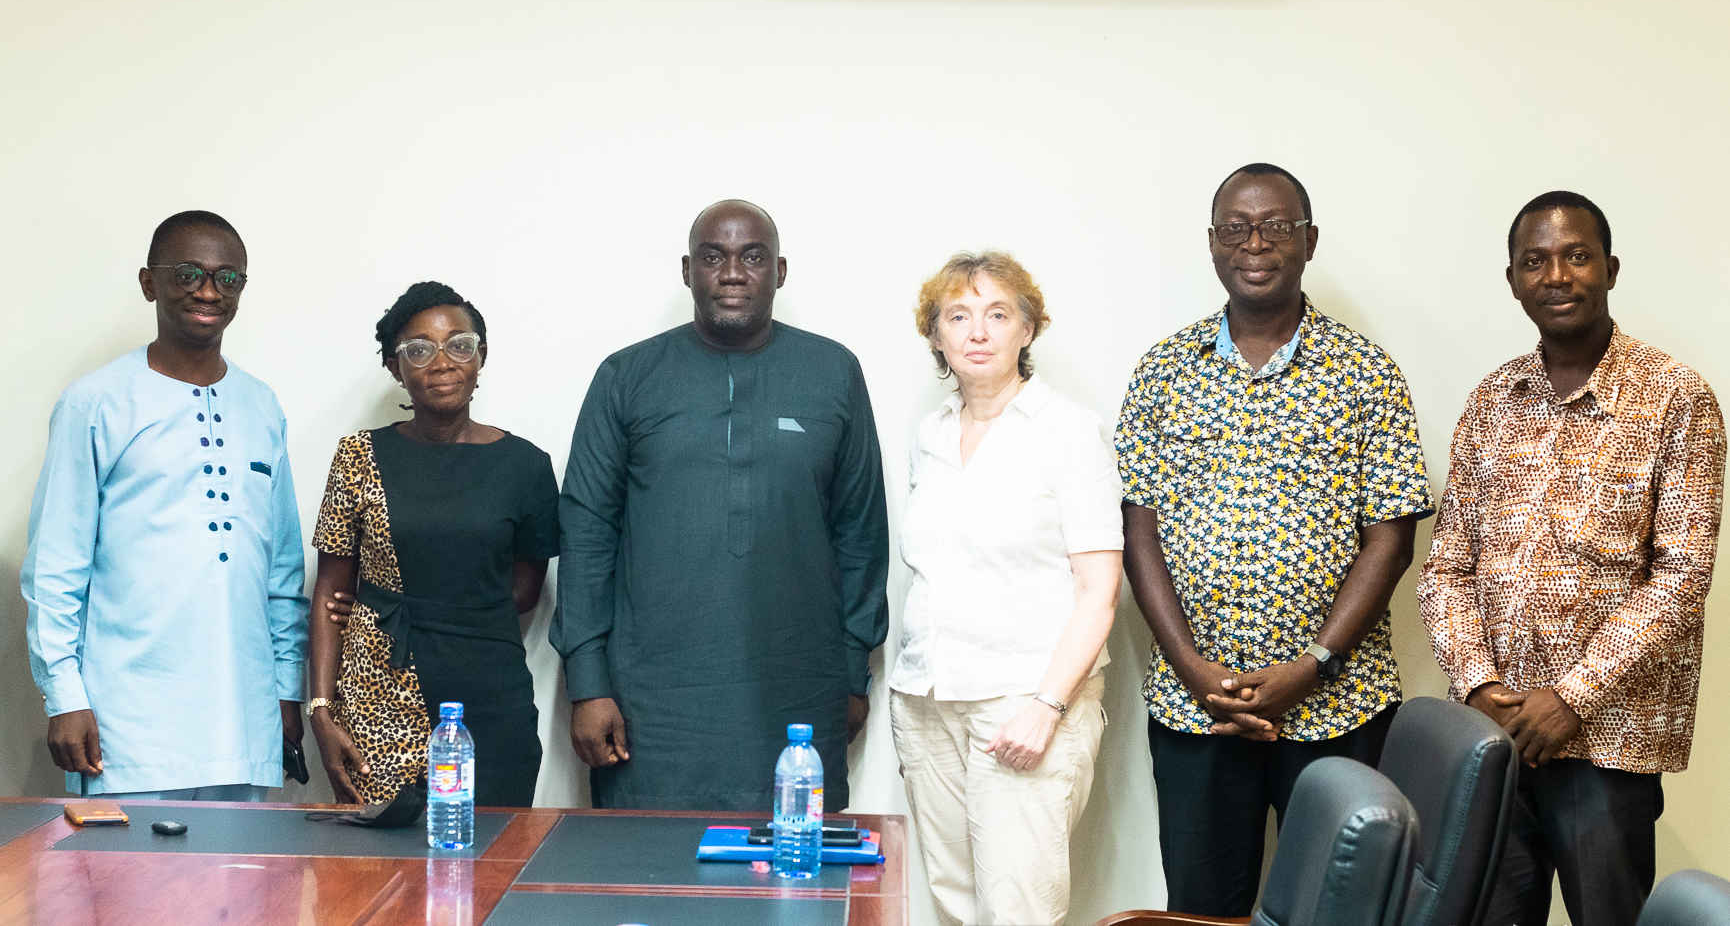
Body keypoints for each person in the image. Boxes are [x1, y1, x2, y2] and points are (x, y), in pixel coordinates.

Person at [1114, 164, 1434, 916]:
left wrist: (1310, 665)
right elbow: (1140, 536)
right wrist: (1193, 670)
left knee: (1338, 907)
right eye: (1236, 227)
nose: (1255, 243)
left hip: (1339, 705)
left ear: (1309, 241)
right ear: (1213, 244)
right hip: (1196, 707)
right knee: (1201, 910)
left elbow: (1389, 541)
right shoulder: (1162, 372)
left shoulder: (1367, 373)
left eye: (1276, 226)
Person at [1417, 191, 1725, 926]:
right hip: (1496, 740)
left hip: (1608, 745)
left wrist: (1571, 697)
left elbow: (1681, 580)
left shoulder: (1676, 398)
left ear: (1611, 269)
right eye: (1535, 261)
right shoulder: (1493, 400)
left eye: (1577, 255)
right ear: (1513, 280)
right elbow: (1446, 567)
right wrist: (1479, 685)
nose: (1557, 275)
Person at [551, 199, 889, 810]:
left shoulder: (834, 372)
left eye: (752, 257)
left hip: (797, 693)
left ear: (779, 272)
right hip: (649, 700)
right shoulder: (627, 376)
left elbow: (861, 535)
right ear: (687, 271)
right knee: (645, 886)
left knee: (788, 887)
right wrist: (588, 682)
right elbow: (585, 535)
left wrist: (850, 672)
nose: (732, 272)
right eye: (713, 257)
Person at [21, 210, 307, 800]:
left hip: (245, 725)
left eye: (228, 278)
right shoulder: (94, 403)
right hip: (127, 731)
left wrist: (285, 690)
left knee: (246, 894)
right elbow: (55, 565)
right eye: (187, 273)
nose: (208, 290)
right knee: (126, 893)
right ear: (149, 283)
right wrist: (64, 696)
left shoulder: (261, 405)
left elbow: (282, 569)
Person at [889, 252, 1121, 926]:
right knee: (956, 905)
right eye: (958, 316)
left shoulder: (1068, 431)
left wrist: (1046, 708)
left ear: (1028, 330)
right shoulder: (930, 435)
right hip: (929, 701)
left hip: (1022, 705)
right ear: (936, 336)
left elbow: (1100, 590)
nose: (978, 332)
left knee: (1017, 911)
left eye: (998, 314)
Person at [306, 281, 558, 807]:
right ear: (396, 368)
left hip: (491, 699)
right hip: (380, 702)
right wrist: (322, 711)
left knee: (492, 865)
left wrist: (441, 611)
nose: (441, 362)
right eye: (418, 349)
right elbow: (330, 593)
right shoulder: (358, 455)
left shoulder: (526, 466)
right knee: (377, 880)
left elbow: (525, 591)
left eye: (459, 345)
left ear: (480, 356)